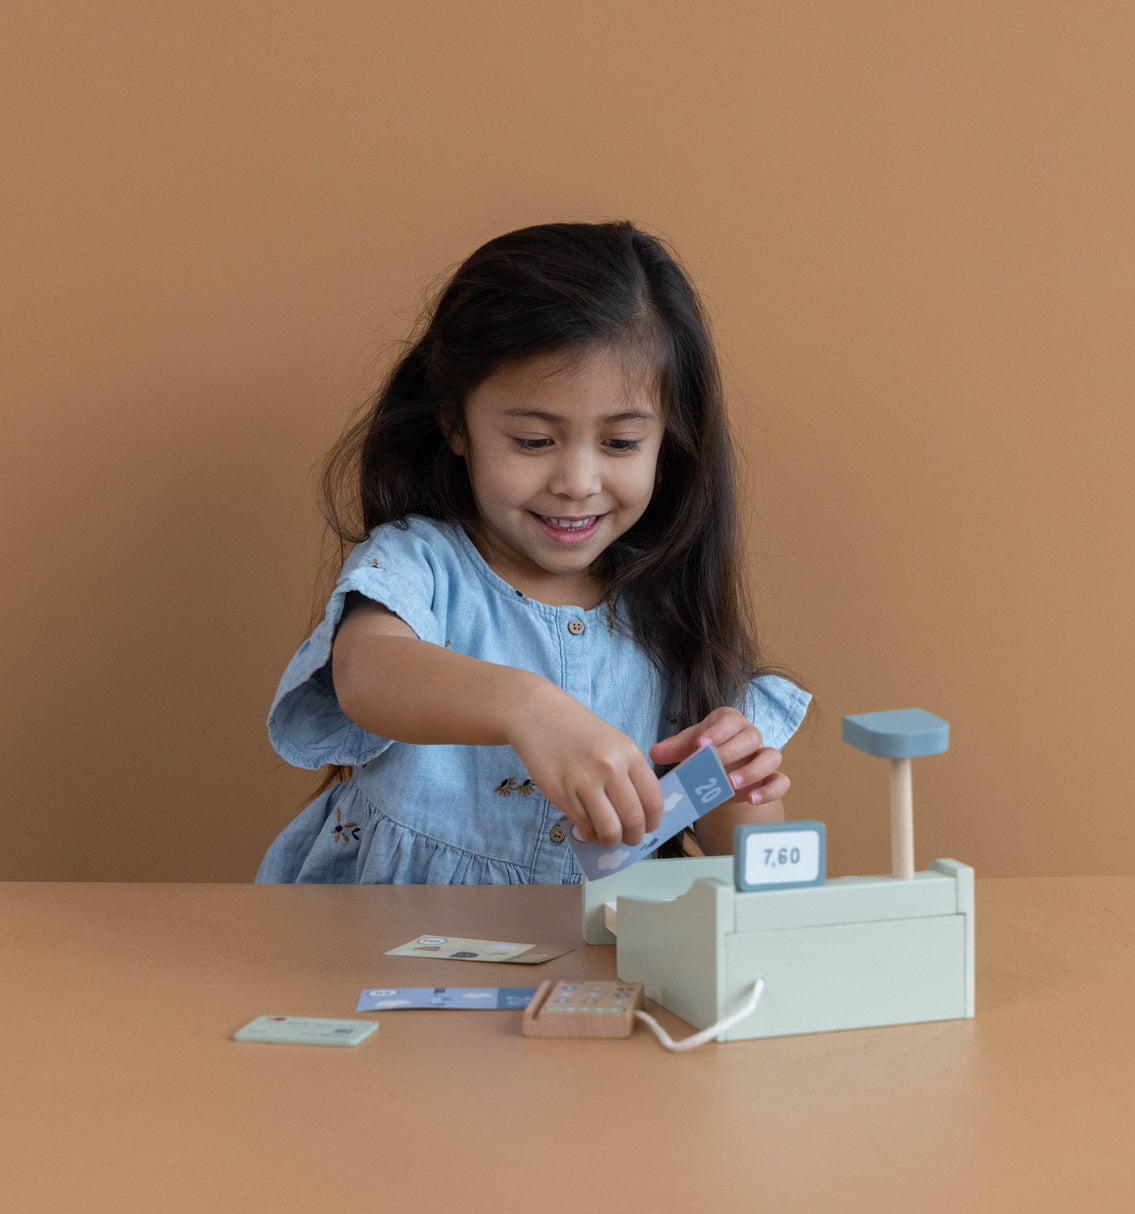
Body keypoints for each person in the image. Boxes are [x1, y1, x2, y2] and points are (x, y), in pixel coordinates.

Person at [256, 220, 812, 885]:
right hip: (383, 945)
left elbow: (757, 877)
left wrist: (740, 781)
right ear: (457, 426)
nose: (577, 483)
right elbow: (367, 673)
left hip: (592, 960)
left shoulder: (671, 616)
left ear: (670, 439)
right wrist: (529, 709)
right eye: (533, 441)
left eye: (620, 444)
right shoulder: (420, 566)